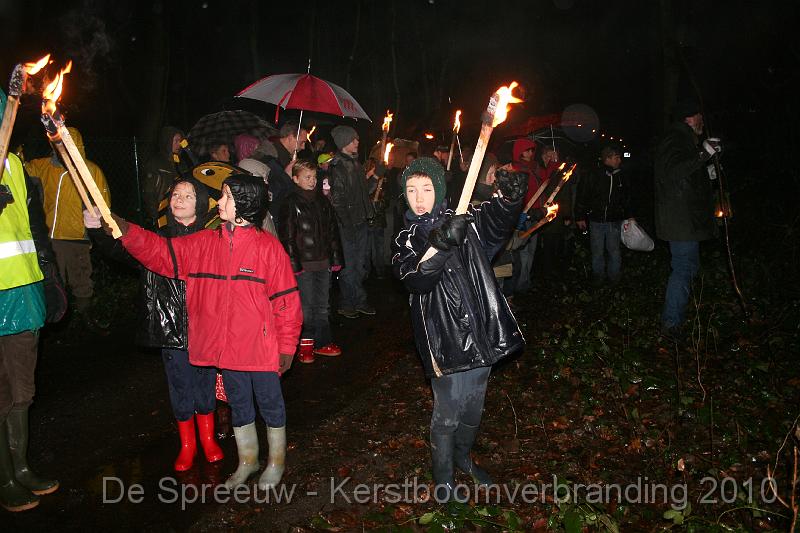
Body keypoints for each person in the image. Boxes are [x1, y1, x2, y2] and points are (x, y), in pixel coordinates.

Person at [108, 174, 302, 490]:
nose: (219, 202)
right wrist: (126, 230)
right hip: (227, 349)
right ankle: (248, 461)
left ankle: (276, 462)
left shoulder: (268, 247)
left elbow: (286, 302)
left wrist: (287, 347)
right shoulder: (205, 243)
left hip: (262, 348)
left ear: (245, 205)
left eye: (226, 196)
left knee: (270, 404)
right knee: (239, 405)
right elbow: (161, 252)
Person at [391, 157, 526, 502]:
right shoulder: (406, 239)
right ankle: (443, 479)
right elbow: (416, 278)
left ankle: (463, 457)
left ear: (439, 190)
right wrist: (440, 245)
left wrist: (510, 200)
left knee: (473, 409)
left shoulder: (466, 220)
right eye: (411, 190)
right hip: (444, 340)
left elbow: (496, 224)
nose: (419, 198)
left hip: (481, 333)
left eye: (426, 189)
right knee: (447, 414)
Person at [84, 177, 224, 472]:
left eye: (188, 195)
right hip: (170, 326)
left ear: (200, 204)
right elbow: (122, 250)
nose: (179, 199)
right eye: (176, 194)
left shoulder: (212, 238)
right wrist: (98, 230)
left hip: (204, 326)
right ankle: (187, 445)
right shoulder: (157, 238)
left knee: (205, 381)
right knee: (179, 384)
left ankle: (208, 439)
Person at [0, 152, 63, 512]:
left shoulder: (12, 163)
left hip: (24, 290)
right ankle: (5, 478)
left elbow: (34, 225)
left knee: (22, 388)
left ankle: (21, 467)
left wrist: (48, 271)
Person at [25, 127, 111, 331]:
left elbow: (103, 205)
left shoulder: (90, 171)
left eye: (66, 141)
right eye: (58, 141)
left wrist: (100, 228)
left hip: (76, 236)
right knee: (53, 280)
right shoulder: (42, 167)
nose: (61, 145)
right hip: (48, 236)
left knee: (81, 279)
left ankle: (85, 319)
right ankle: (53, 323)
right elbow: (20, 173)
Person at [654, 99, 721, 337]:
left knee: (687, 267)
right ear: (689, 118)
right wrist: (704, 154)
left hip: (685, 219)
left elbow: (685, 174)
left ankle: (675, 317)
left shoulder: (684, 139)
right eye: (699, 116)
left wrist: (706, 173)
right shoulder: (675, 138)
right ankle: (671, 323)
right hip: (680, 220)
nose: (702, 120)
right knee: (684, 267)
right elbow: (673, 172)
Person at [278, 159, 343, 362]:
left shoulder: (323, 201)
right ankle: (305, 345)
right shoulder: (290, 202)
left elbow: (332, 231)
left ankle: (322, 342)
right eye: (307, 177)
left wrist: (335, 258)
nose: (312, 181)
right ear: (295, 179)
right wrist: (294, 265)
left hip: (323, 262)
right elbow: (287, 237)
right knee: (305, 306)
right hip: (304, 264)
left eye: (314, 177)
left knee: (322, 304)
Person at [328, 125, 375, 318]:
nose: (357, 142)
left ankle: (359, 300)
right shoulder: (338, 166)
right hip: (348, 224)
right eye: (353, 139)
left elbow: (363, 192)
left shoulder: (355, 163)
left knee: (360, 264)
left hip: (360, 221)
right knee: (349, 266)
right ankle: (347, 303)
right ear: (344, 142)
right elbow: (338, 201)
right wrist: (347, 226)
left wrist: (374, 178)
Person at [575, 146, 632, 286]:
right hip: (596, 220)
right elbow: (582, 196)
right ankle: (598, 277)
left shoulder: (620, 176)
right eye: (616, 157)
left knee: (614, 251)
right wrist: (580, 216)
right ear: (608, 159)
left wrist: (630, 215)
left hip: (614, 220)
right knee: (597, 252)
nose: (619, 160)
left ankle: (614, 278)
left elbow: (626, 198)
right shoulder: (593, 175)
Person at [143, 126, 184, 225]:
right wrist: (155, 215)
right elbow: (149, 191)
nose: (179, 144)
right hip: (162, 211)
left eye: (180, 141)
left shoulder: (180, 162)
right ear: (167, 142)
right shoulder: (156, 162)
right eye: (176, 140)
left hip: (178, 210)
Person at [365, 158, 388, 279]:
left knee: (379, 247)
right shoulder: (365, 181)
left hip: (378, 219)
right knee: (367, 248)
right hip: (367, 220)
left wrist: (379, 203)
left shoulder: (383, 181)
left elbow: (387, 200)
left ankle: (380, 270)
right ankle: (366, 271)